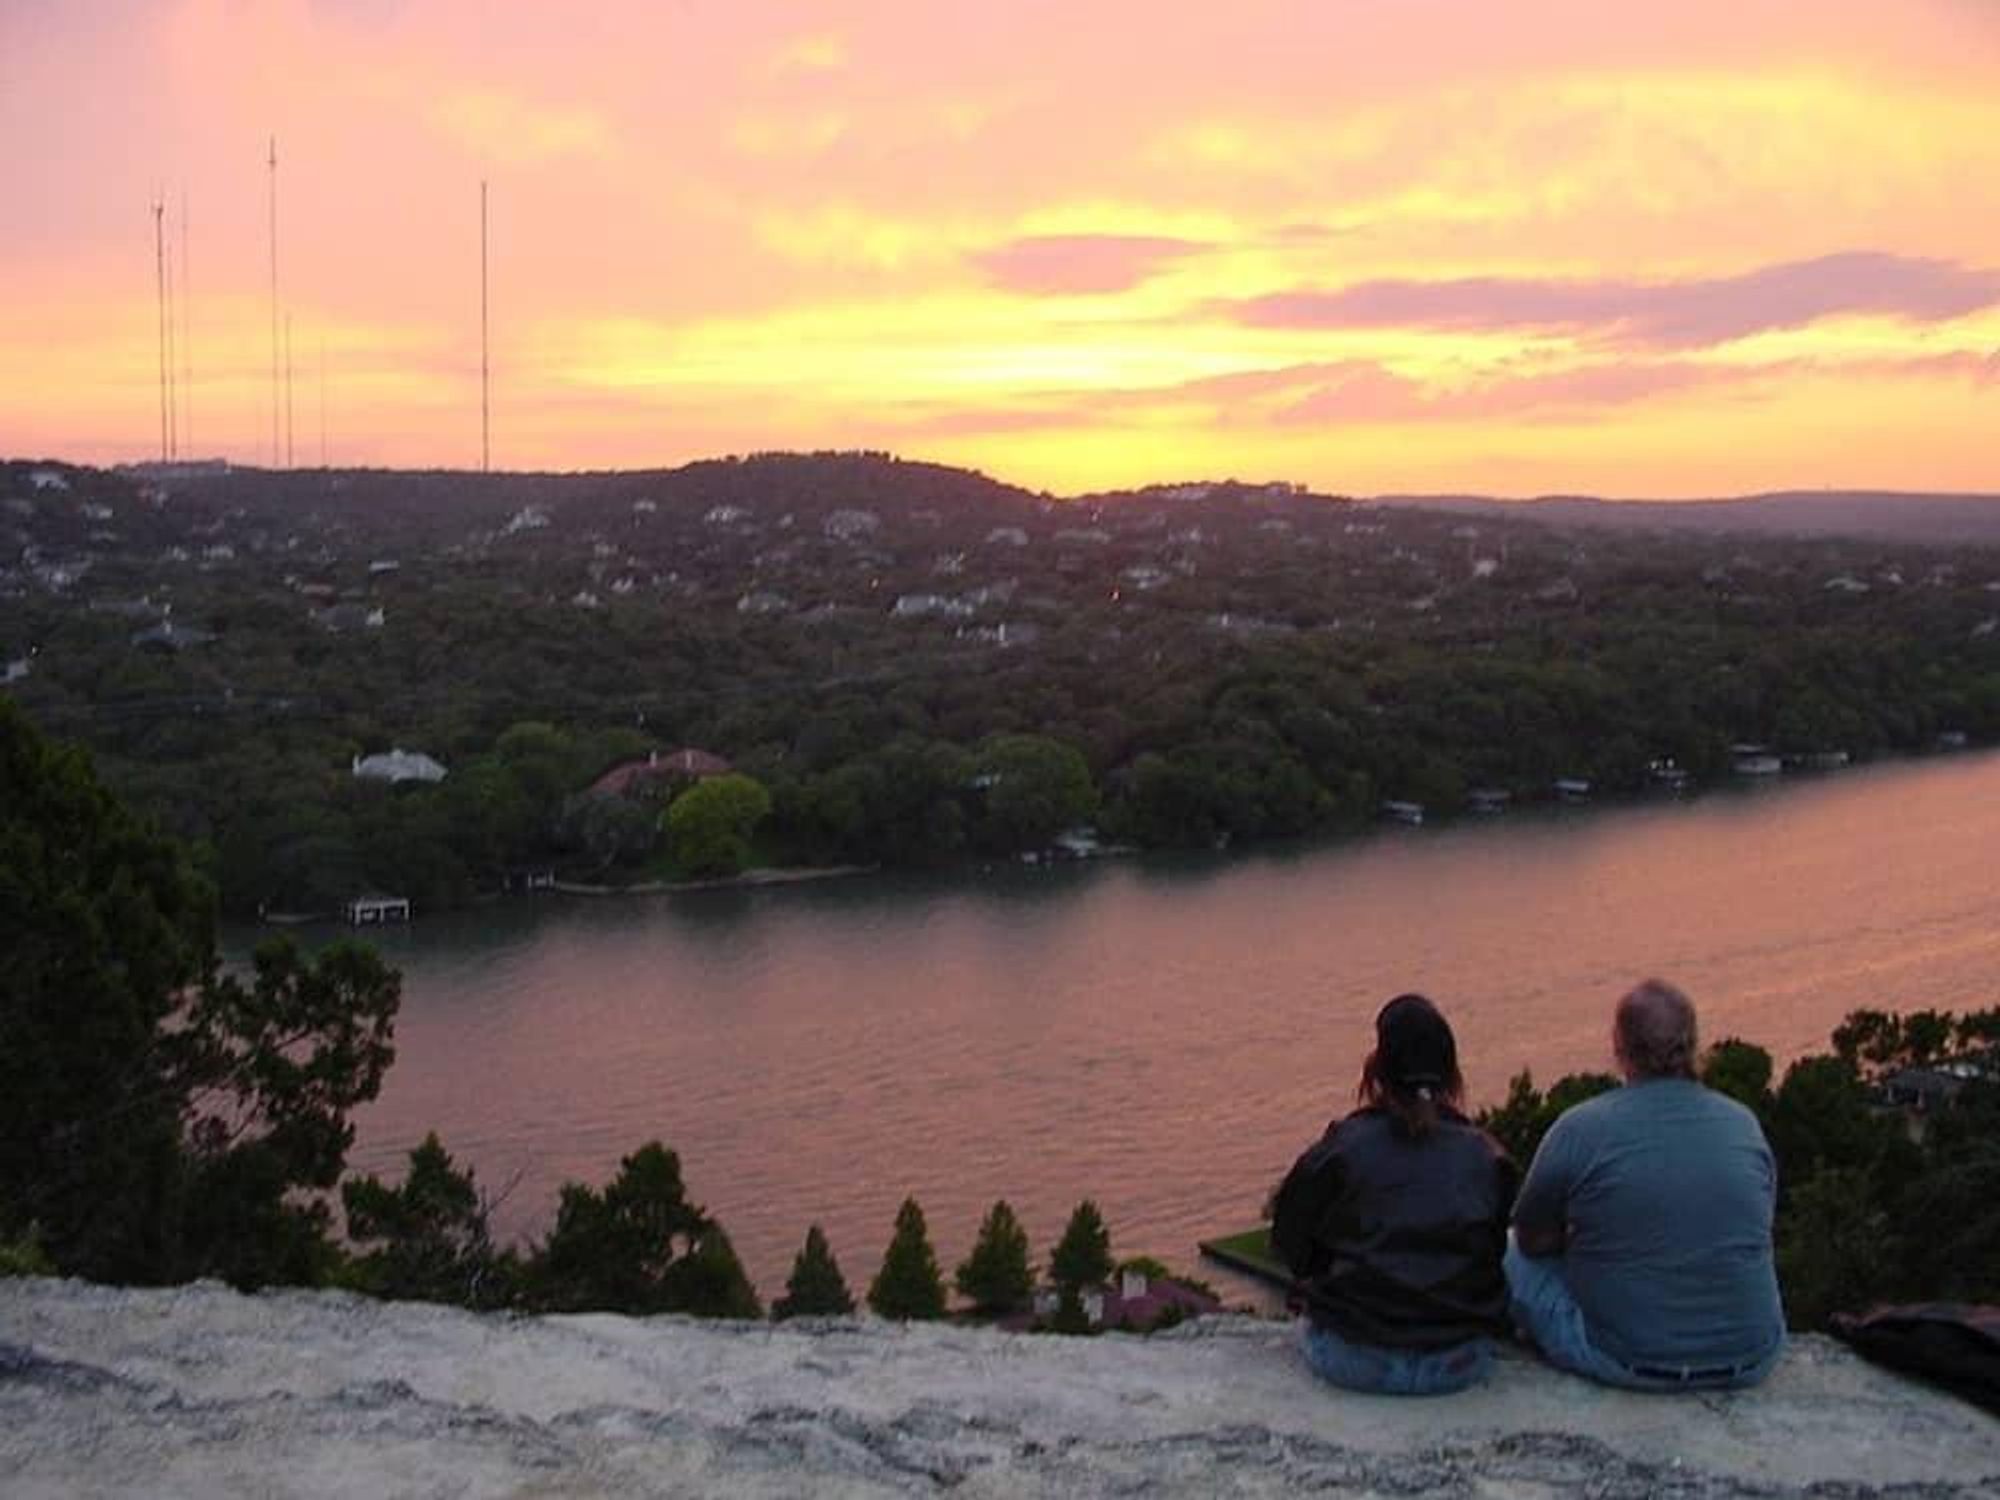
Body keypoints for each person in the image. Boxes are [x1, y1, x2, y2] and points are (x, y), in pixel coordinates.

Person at [1506, 978, 1785, 1390]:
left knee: (1511, 1251)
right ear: (1693, 1044)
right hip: (1751, 1356)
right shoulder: (1742, 1124)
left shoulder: (1580, 1128)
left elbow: (1531, 1239)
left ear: (1618, 1047)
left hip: (1629, 1360)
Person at [1271, 993, 1518, 1395]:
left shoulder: (1343, 1146)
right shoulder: (1487, 1156)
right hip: (1458, 1361)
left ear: (1377, 1071)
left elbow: (1288, 1242)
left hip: (1354, 1359)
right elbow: (1493, 1253)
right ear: (1451, 1074)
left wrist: (1323, 1274)